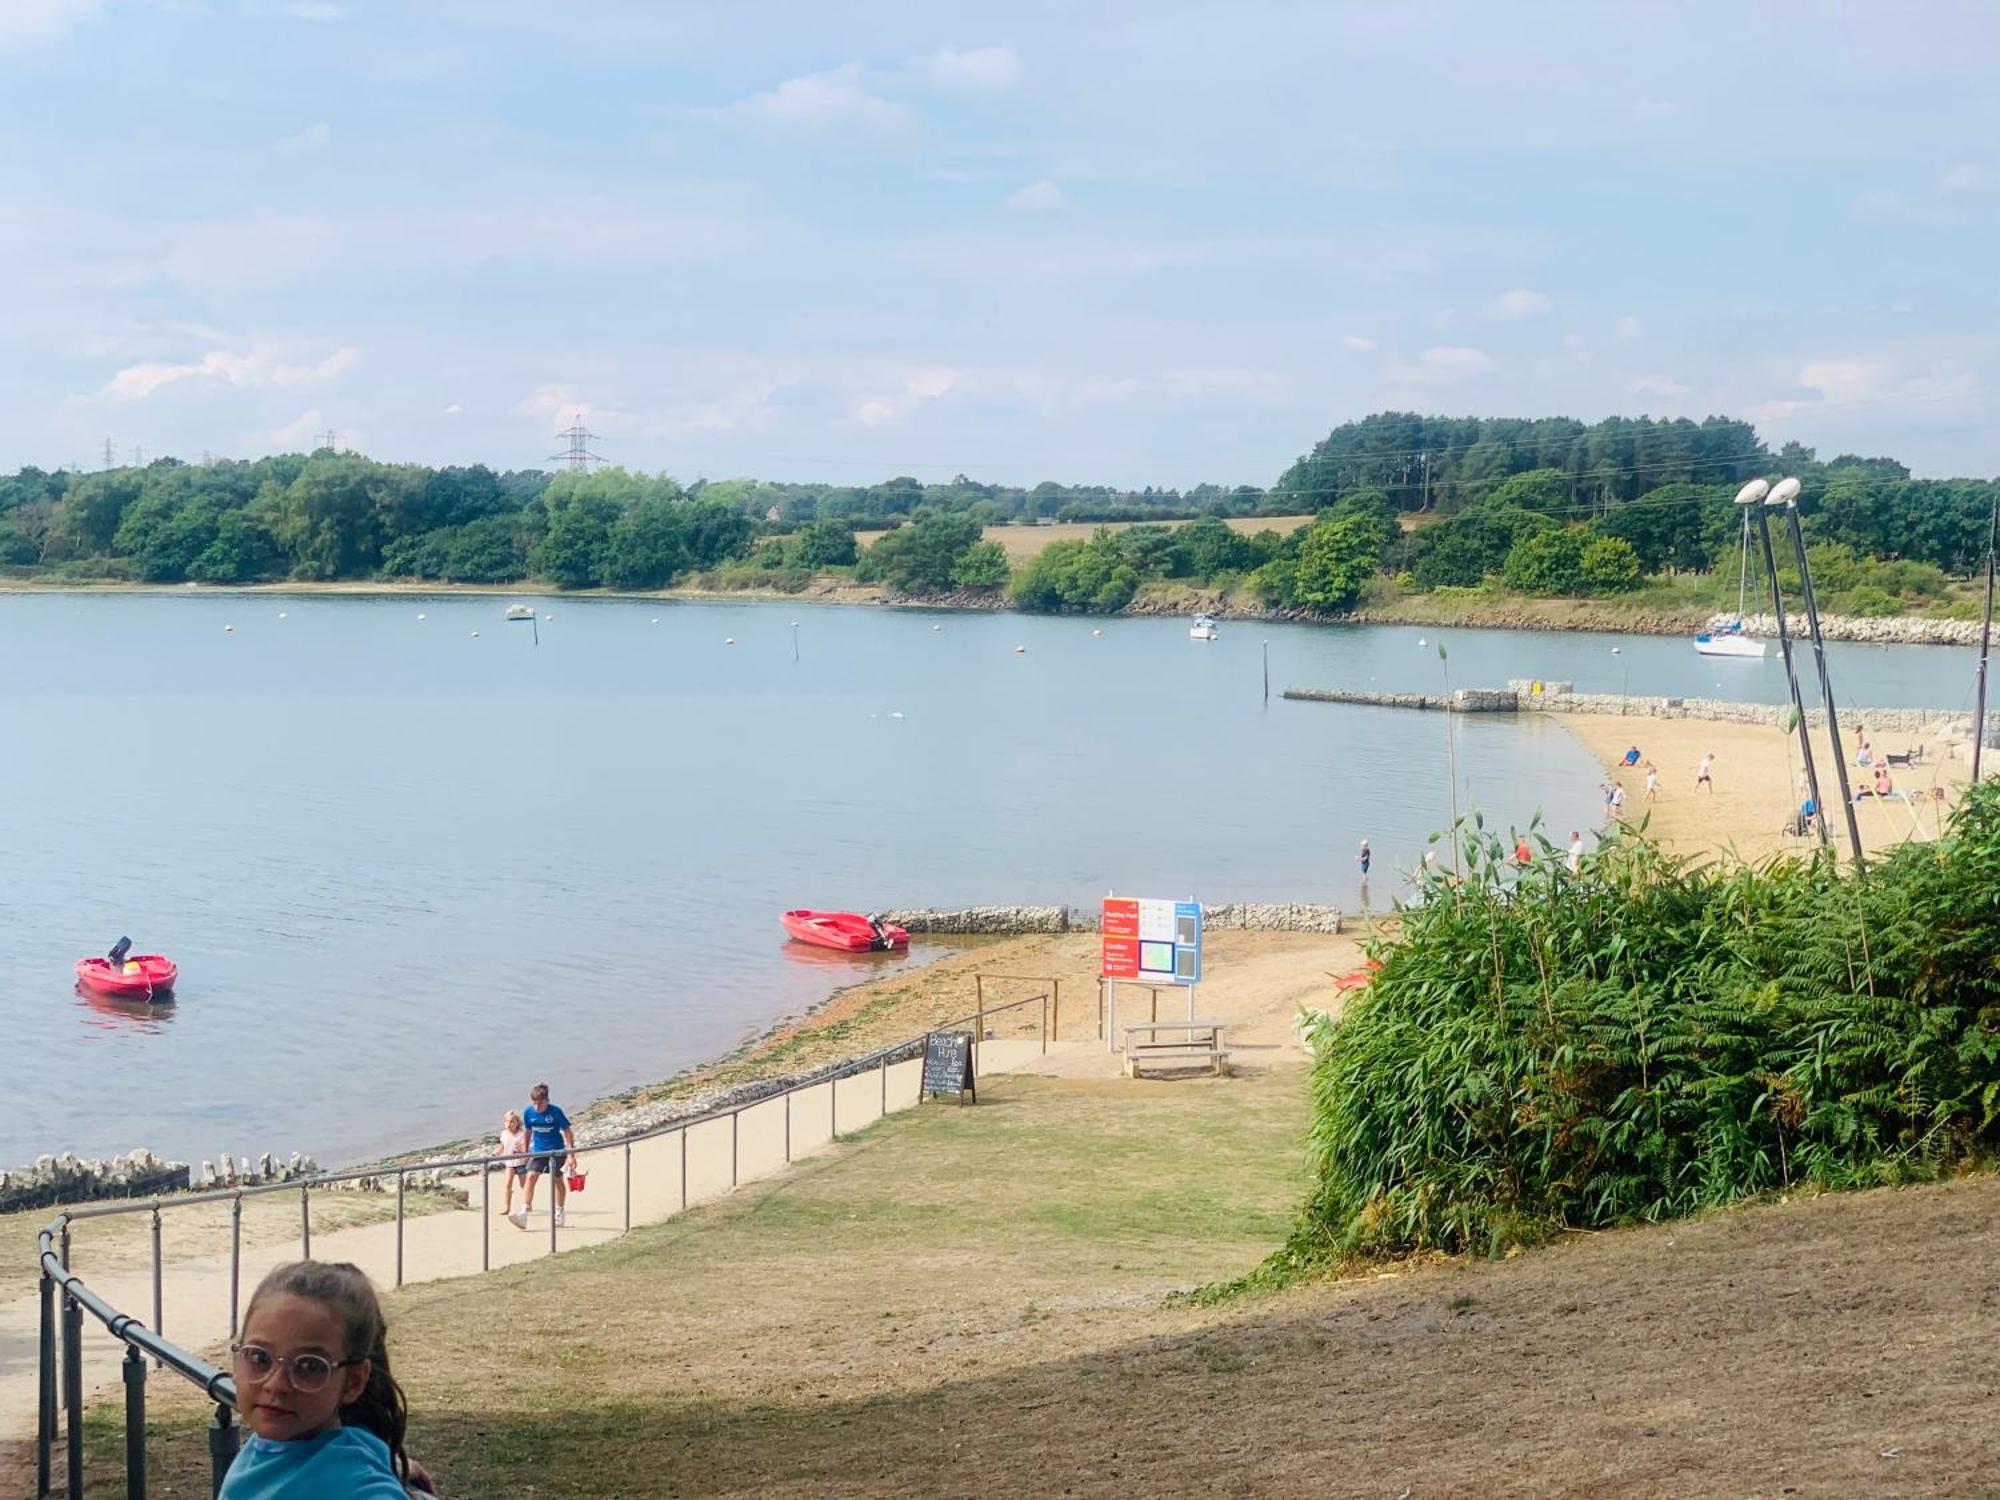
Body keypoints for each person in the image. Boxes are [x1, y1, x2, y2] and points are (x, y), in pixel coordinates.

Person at [219, 1260, 436, 1498]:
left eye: (310, 1366)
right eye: (259, 1357)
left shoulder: (357, 1484)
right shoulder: (278, 1444)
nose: (275, 1384)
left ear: (353, 1382)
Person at [516, 1082, 576, 1229]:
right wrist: (526, 1150)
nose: (537, 1107)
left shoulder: (555, 1112)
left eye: (540, 1104)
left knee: (557, 1181)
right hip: (539, 1151)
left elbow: (568, 1132)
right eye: (534, 1103)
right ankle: (524, 1209)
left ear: (547, 1101)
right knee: (531, 1176)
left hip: (557, 1150)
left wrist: (571, 1155)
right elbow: (528, 1131)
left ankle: (559, 1212)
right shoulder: (529, 1113)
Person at [496, 1111, 528, 1221]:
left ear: (517, 1123)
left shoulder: (521, 1134)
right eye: (507, 1121)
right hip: (509, 1163)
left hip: (521, 1163)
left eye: (512, 1122)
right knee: (507, 1184)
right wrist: (496, 1153)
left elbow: (525, 1149)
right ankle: (507, 1207)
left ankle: (527, 1203)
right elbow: (502, 1146)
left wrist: (520, 1150)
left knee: (524, 1185)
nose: (509, 1124)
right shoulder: (504, 1134)